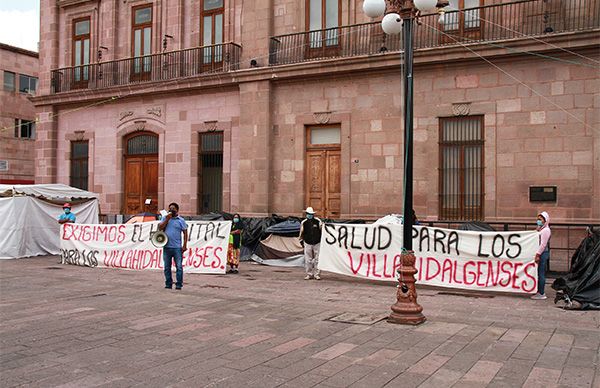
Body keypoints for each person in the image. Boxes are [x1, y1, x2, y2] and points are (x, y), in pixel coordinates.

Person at [158, 202, 188, 290]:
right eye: (170, 208)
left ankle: (179, 284)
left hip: (177, 248)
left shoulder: (181, 220)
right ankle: (168, 283)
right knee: (167, 267)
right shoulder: (165, 218)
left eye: (173, 209)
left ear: (177, 210)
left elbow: (185, 233)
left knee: (179, 266)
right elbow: (160, 228)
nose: (171, 210)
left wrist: (184, 245)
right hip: (167, 247)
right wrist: (167, 219)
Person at [531, 211, 551, 300]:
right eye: (538, 219)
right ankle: (539, 291)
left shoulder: (546, 230)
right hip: (541, 253)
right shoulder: (542, 229)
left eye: (540, 219)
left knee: (541, 273)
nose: (538, 221)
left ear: (545, 220)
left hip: (542, 253)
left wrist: (538, 254)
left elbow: (543, 244)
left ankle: (541, 293)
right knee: (539, 272)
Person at [299, 207, 323, 280]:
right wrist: (301, 241)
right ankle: (309, 274)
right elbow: (301, 232)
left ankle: (317, 274)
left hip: (317, 242)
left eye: (310, 214)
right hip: (307, 242)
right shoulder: (304, 222)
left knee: (317, 259)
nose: (309, 215)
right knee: (308, 259)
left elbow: (322, 230)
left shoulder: (318, 221)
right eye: (308, 214)